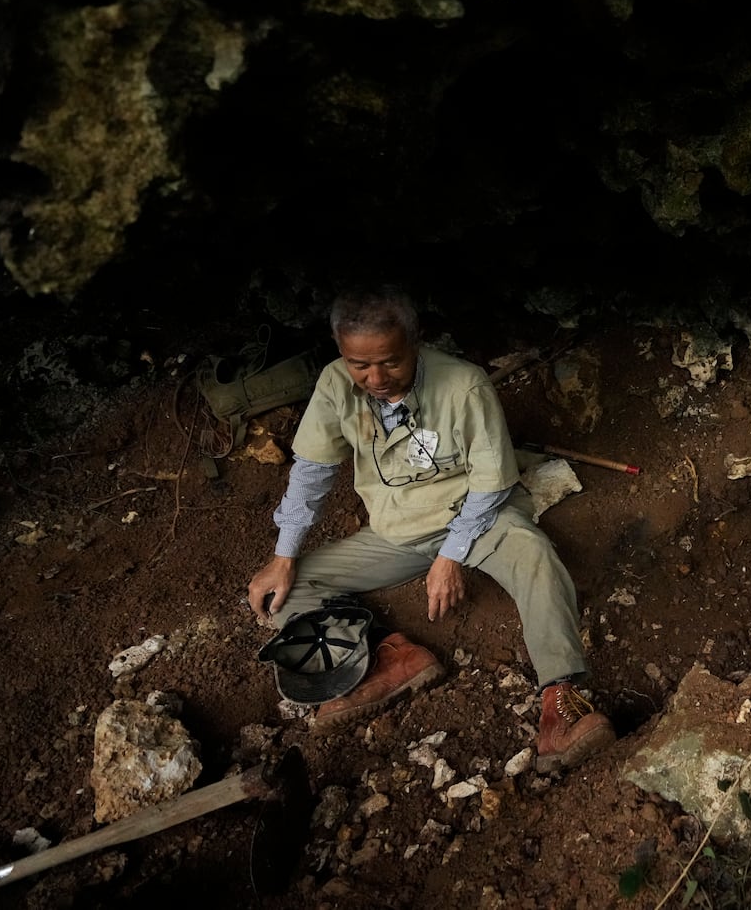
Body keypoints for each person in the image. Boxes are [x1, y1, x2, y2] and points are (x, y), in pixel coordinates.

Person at [247, 286, 613, 771]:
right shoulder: (337, 385)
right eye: (360, 364)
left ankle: (559, 703)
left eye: (391, 362)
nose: (375, 378)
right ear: (342, 353)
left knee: (533, 555)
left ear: (415, 343)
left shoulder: (464, 385)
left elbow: (489, 485)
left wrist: (451, 556)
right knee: (285, 595)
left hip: (476, 515)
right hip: (397, 529)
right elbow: (311, 471)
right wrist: (284, 554)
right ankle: (390, 657)